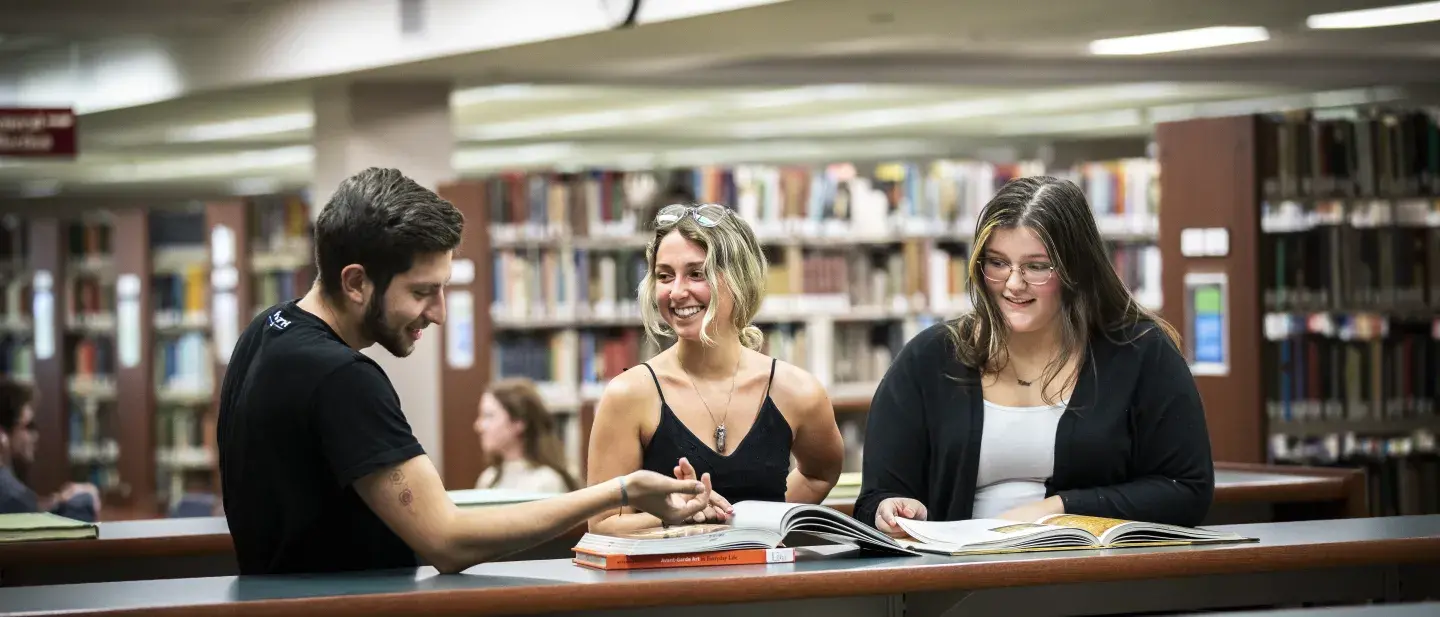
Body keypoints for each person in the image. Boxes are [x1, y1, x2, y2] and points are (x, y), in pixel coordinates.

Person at [217, 168, 711, 576]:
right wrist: (619, 492)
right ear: (356, 282)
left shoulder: (267, 330)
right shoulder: (341, 377)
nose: (438, 313)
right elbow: (447, 542)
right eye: (421, 291)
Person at [855, 176, 1214, 535]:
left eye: (1036, 266)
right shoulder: (929, 358)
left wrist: (1057, 510)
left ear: (1076, 268)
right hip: (957, 576)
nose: (1013, 283)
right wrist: (892, 509)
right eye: (997, 263)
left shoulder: (1141, 352)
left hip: (1091, 577)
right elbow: (875, 498)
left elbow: (1186, 490)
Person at [586, 202, 845, 535]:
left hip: (765, 584)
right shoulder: (630, 395)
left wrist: (753, 524)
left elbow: (819, 473)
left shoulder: (798, 392)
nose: (677, 292)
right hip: (665, 584)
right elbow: (603, 524)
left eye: (697, 273)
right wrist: (677, 517)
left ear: (739, 278)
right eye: (665, 276)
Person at [0, 377, 101, 521]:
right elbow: (29, 512)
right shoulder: (6, 490)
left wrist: (59, 499)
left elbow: (31, 507)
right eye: (29, 426)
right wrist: (86, 497)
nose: (35, 436)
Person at [473, 378, 578, 493]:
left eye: (488, 416)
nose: (479, 426)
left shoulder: (546, 482)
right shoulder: (488, 479)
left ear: (518, 422)